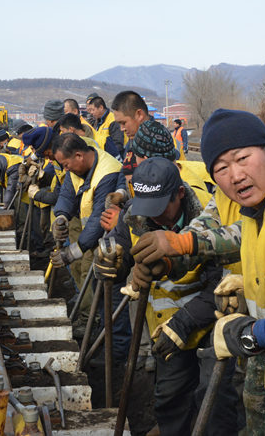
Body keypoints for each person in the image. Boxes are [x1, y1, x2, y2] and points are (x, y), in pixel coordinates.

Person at [131, 109, 265, 435]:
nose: (235, 175)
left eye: (242, 159)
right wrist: (167, 262)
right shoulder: (235, 196)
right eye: (222, 168)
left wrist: (249, 334)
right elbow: (212, 231)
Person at [106, 158, 240, 435]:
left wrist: (185, 321)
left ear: (179, 193)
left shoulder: (207, 219)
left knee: (213, 400)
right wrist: (115, 262)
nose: (154, 217)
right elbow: (121, 245)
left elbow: (220, 280)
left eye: (160, 208)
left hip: (211, 320)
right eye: (147, 207)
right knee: (169, 398)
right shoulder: (135, 214)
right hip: (165, 328)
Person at [49, 133, 128, 352]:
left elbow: (98, 218)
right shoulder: (76, 168)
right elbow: (67, 193)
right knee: (96, 287)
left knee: (105, 290)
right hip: (94, 238)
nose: (66, 169)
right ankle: (101, 333)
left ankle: (112, 346)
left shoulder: (107, 172)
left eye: (66, 164)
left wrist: (74, 251)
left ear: (78, 155)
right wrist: (62, 216)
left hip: (110, 241)